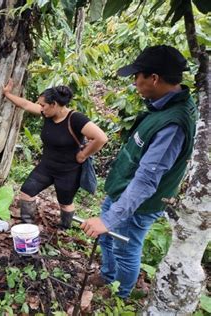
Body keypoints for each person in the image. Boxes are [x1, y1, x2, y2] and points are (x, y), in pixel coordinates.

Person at [80, 45, 197, 298]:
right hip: (122, 191)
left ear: (154, 78)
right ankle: (108, 277)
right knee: (108, 240)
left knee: (125, 248)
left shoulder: (173, 124)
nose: (134, 83)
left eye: (137, 77)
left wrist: (109, 219)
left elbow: (146, 181)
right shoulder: (163, 105)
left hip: (139, 204)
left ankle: (120, 295)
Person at [3, 80, 107, 227]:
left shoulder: (75, 119)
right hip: (47, 167)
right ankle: (27, 226)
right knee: (26, 192)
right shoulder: (47, 113)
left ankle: (64, 228)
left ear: (54, 105)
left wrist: (83, 155)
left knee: (65, 204)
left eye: (43, 105)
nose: (40, 108)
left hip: (68, 171)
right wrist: (7, 94)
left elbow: (101, 138)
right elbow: (26, 105)